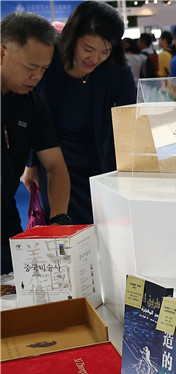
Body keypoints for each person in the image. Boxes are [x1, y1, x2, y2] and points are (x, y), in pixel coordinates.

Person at [23, 2, 136, 227]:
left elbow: (128, 124)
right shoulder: (49, 63)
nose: (95, 58)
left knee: (102, 231)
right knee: (62, 229)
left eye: (105, 51)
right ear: (72, 38)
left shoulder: (118, 73)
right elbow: (32, 114)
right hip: (55, 164)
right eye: (88, 49)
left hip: (101, 166)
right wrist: (31, 163)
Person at [1, 12, 71, 274]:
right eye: (31, 67)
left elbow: (55, 166)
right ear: (2, 54)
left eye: (44, 69)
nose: (37, 77)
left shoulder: (31, 103)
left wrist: (59, 222)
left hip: (6, 221)